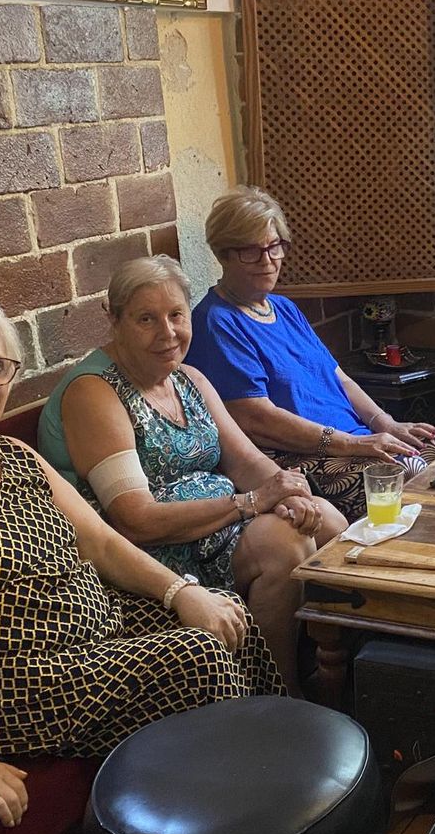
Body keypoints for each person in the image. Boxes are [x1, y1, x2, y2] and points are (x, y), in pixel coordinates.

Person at [0, 292, 281, 831]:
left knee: (224, 613)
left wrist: (182, 592)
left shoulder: (11, 456)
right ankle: (235, 820)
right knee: (194, 659)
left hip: (83, 647)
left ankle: (274, 784)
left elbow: (101, 544)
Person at [39, 256, 347, 698]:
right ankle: (277, 692)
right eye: (146, 319)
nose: (167, 333)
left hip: (215, 526)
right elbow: (134, 519)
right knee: (285, 543)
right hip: (147, 551)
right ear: (115, 320)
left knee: (327, 520)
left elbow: (246, 462)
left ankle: (331, 670)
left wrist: (290, 494)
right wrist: (252, 503)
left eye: (176, 315)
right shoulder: (94, 391)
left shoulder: (187, 378)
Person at [184, 186, 435, 519]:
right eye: (250, 251)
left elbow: (339, 378)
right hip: (298, 456)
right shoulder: (216, 322)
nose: (267, 261)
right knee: (406, 471)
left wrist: (385, 423)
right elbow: (256, 420)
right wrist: (353, 444)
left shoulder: (283, 308)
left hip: (353, 438)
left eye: (274, 246)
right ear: (222, 254)